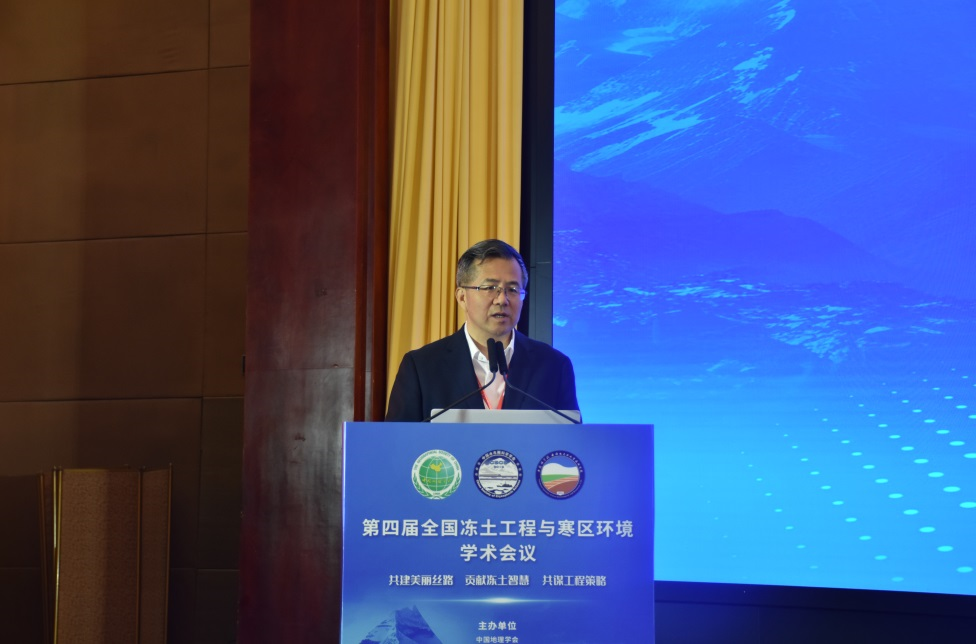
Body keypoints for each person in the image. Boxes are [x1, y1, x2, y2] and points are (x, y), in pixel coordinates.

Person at [386, 239, 580, 422]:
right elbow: (399, 441)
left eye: (513, 289)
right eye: (490, 288)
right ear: (462, 297)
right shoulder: (422, 367)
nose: (502, 299)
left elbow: (571, 442)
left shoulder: (554, 366)